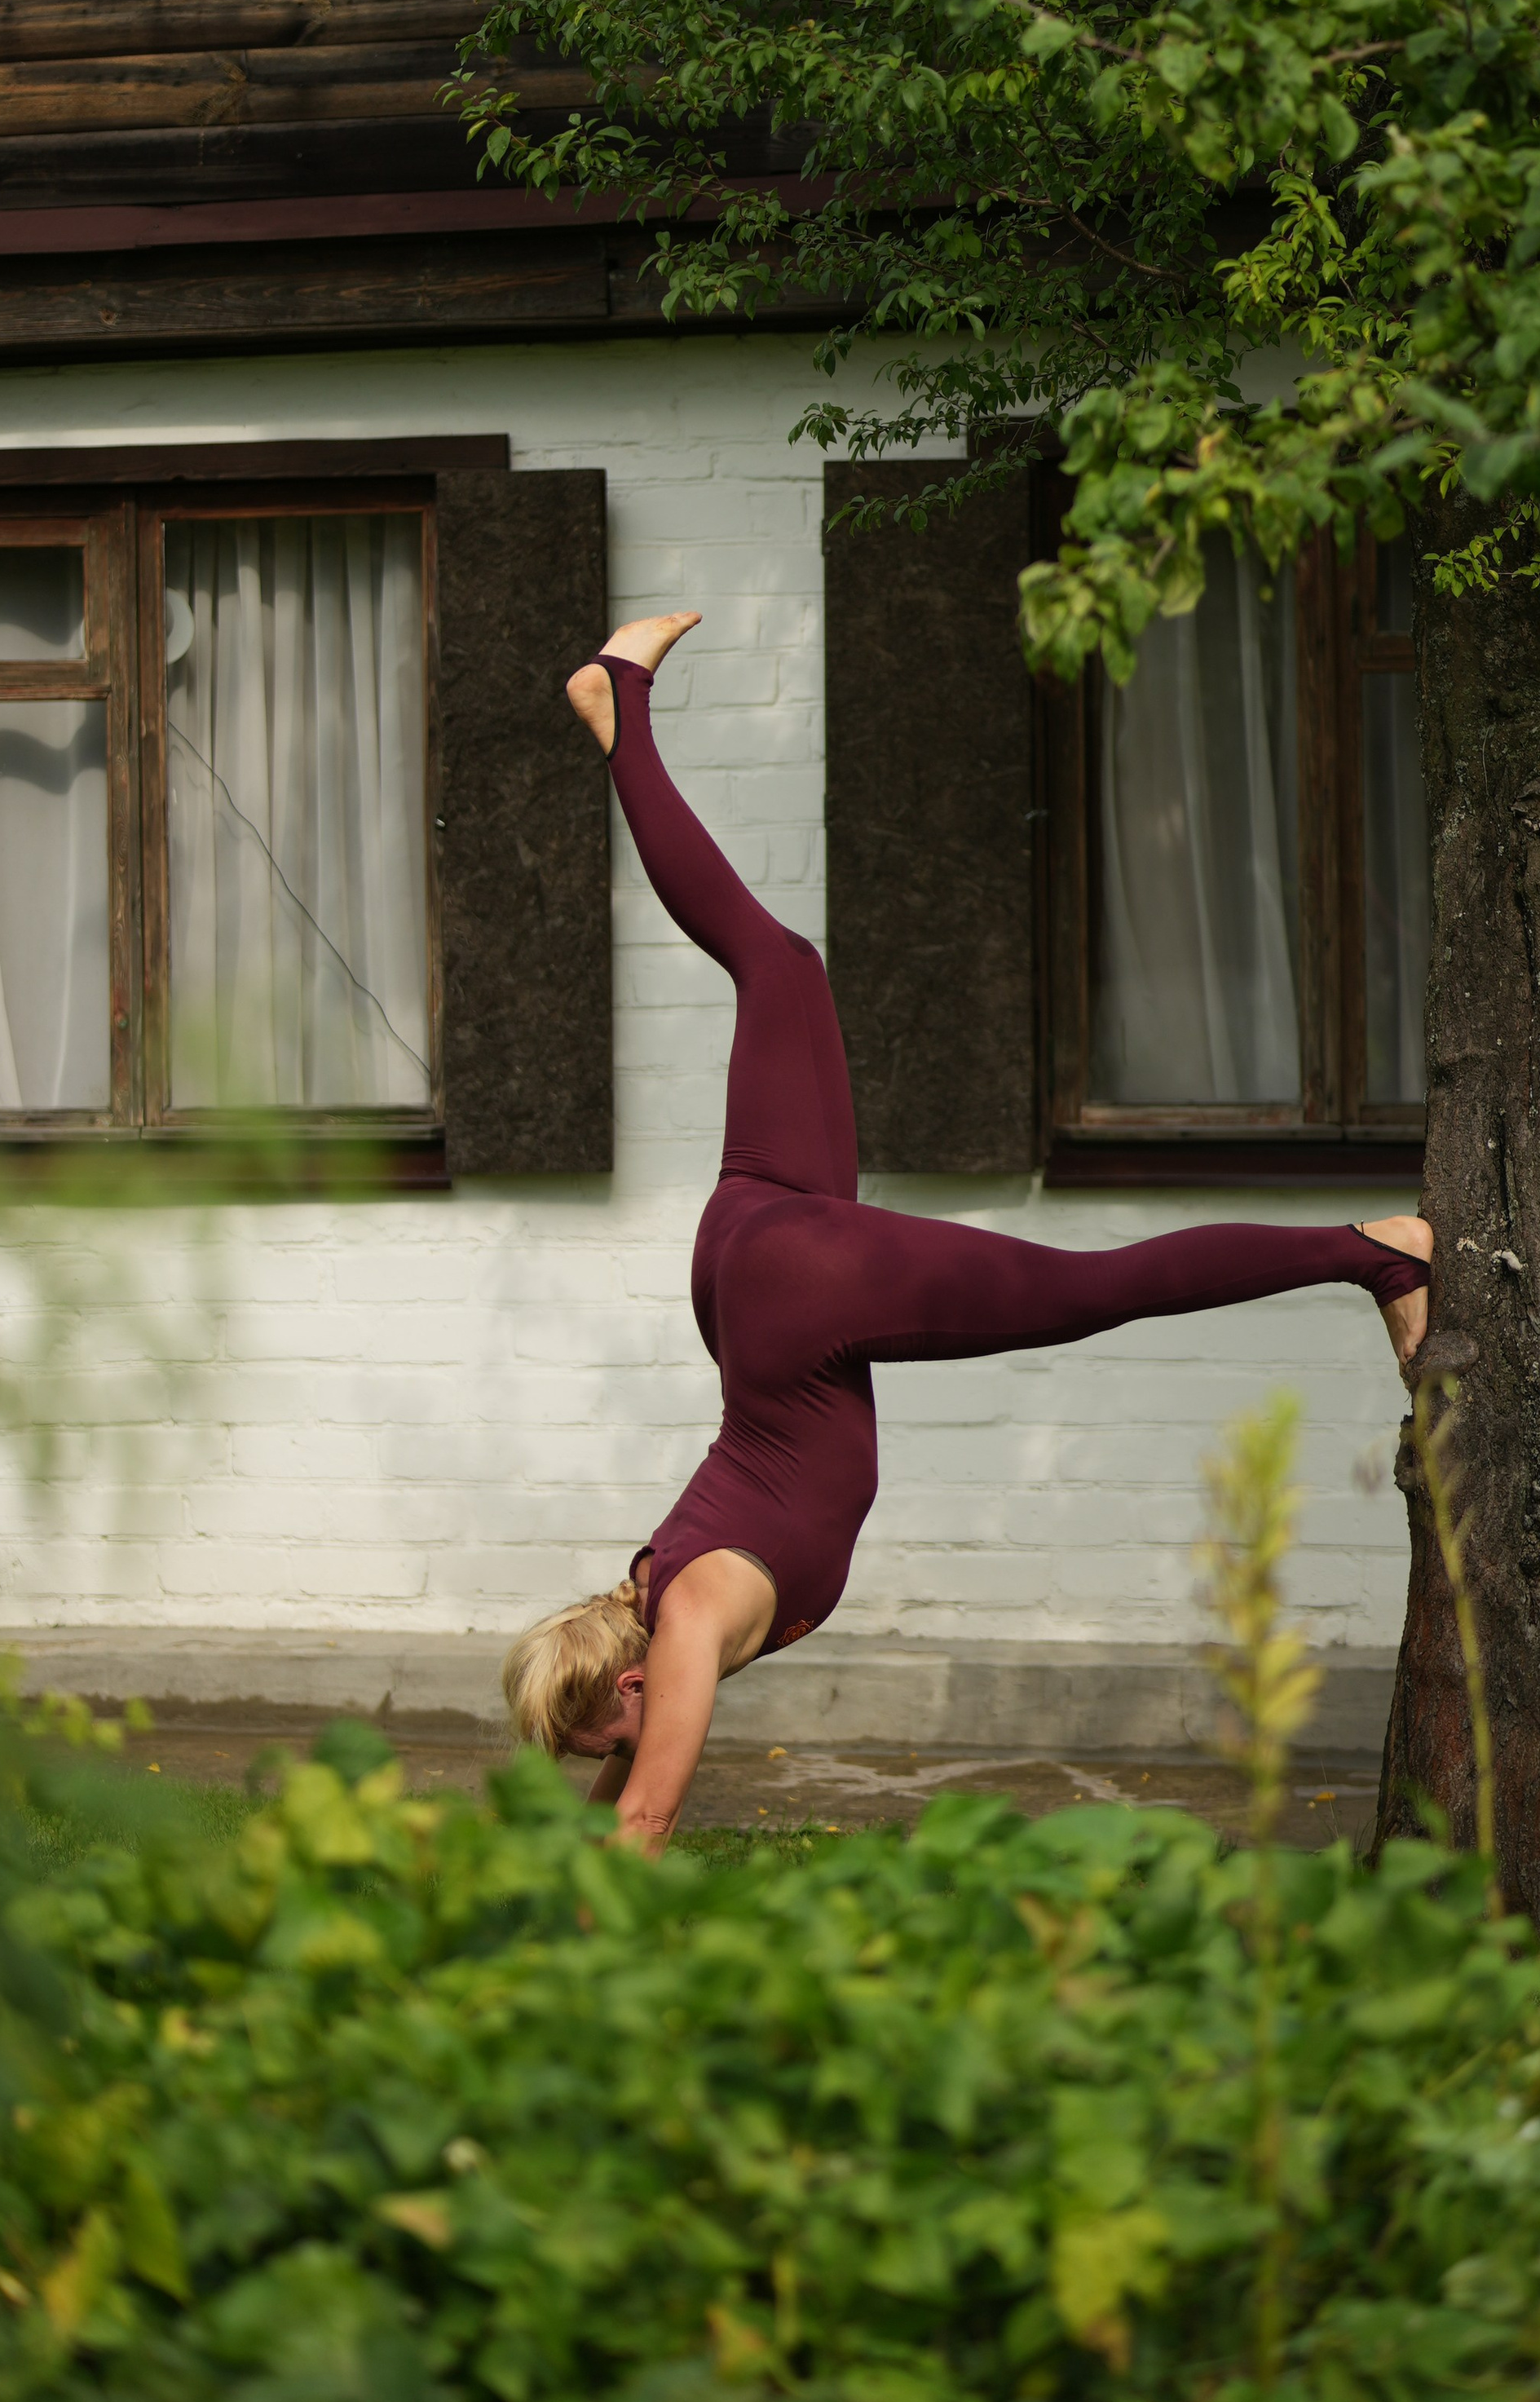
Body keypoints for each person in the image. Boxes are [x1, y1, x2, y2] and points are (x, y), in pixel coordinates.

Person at [503, 613, 1432, 1849]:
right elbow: (631, 1787)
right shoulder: (650, 1599)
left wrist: (549, 1955)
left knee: (1100, 1285)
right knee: (780, 966)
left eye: (600, 1747)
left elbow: (651, 1811)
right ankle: (622, 713)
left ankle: (1375, 1250)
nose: (614, 1765)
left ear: (624, 1689)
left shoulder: (675, 1633)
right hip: (746, 1257)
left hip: (793, 1298)